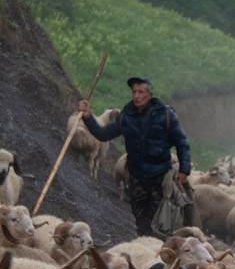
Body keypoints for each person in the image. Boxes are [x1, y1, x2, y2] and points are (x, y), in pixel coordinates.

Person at [79, 76, 191, 237]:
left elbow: (182, 142)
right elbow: (103, 134)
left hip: (160, 178)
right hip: (137, 179)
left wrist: (184, 170)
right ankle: (145, 252)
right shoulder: (126, 116)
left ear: (150, 95)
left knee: (160, 222)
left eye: (141, 92)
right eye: (134, 92)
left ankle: (160, 253)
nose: (137, 96)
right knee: (141, 222)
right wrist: (88, 117)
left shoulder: (165, 115)